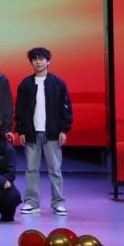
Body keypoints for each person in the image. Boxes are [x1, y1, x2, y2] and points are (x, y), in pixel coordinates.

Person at [15, 47, 72, 216]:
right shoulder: (25, 84)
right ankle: (32, 202)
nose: (38, 62)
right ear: (31, 62)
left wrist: (64, 129)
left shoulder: (58, 83)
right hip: (31, 133)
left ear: (48, 61)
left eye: (41, 59)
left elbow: (65, 108)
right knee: (31, 170)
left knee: (55, 169)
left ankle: (59, 203)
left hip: (52, 133)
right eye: (35, 59)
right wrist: (21, 130)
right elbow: (19, 109)